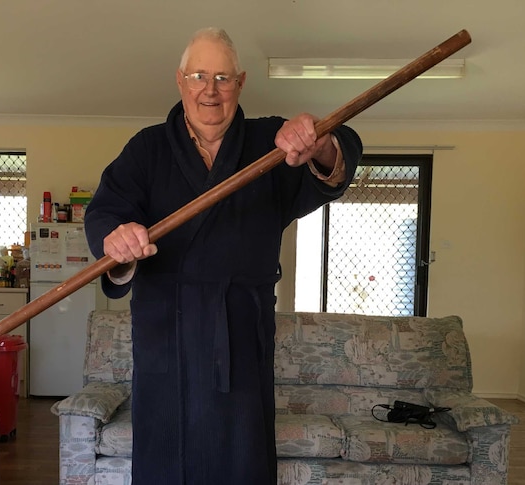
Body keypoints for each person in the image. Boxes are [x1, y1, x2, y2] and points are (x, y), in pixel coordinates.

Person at [84, 27, 362, 485]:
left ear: (241, 82)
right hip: (165, 330)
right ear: (179, 81)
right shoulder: (147, 149)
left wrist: (321, 143)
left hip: (240, 329)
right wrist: (118, 241)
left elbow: (340, 153)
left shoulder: (272, 144)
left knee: (241, 456)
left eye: (222, 77)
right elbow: (106, 213)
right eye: (198, 75)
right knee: (165, 456)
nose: (209, 89)